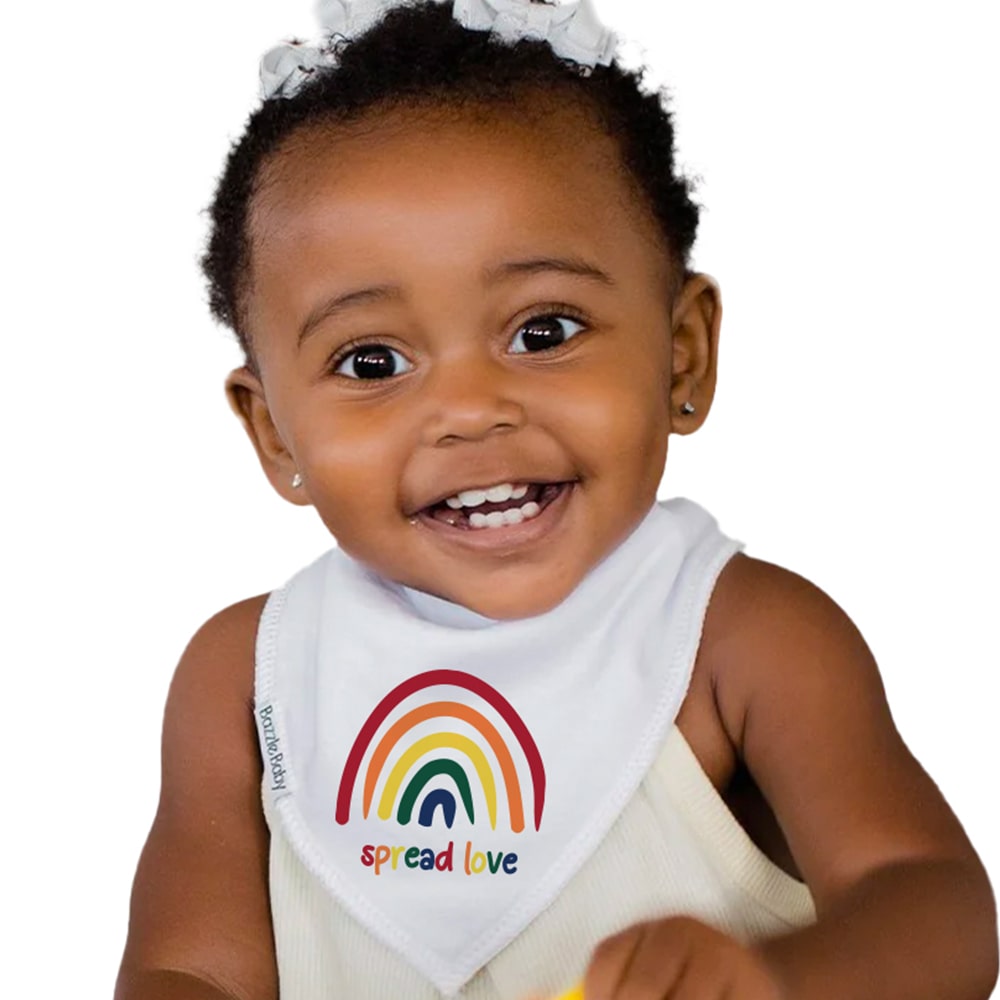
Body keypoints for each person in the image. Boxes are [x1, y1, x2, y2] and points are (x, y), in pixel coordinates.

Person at [114, 1, 998, 998]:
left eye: (543, 332)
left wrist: (776, 981)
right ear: (275, 433)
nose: (468, 410)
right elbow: (185, 968)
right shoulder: (249, 678)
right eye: (372, 361)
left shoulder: (742, 640)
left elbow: (938, 907)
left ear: (681, 354)